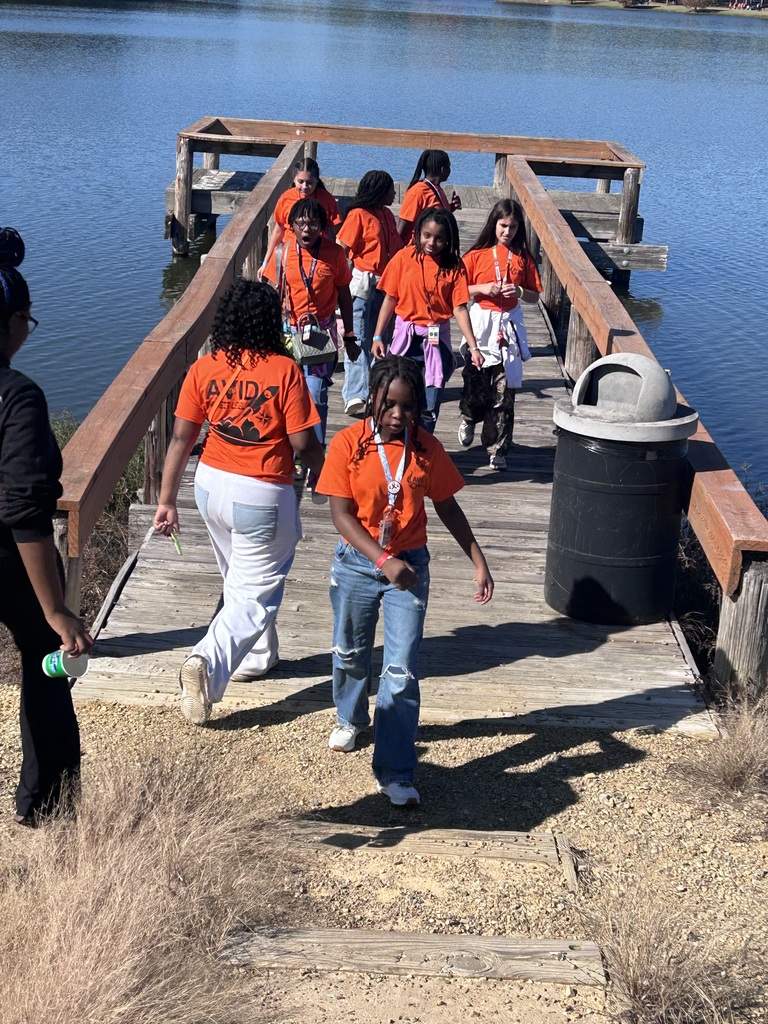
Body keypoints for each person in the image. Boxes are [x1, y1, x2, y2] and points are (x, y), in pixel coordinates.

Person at [317, 356, 493, 807]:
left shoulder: (427, 450)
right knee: (351, 650)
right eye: (389, 404)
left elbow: (448, 507)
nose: (398, 415)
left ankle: (395, 771)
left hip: (410, 568)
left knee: (400, 670)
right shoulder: (347, 444)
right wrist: (381, 559)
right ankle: (351, 718)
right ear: (373, 396)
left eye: (409, 407)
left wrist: (479, 561)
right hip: (357, 562)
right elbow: (340, 515)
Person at [153, 278, 324, 723]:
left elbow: (180, 438)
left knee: (237, 577)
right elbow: (304, 442)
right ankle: (205, 663)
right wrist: (323, 470)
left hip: (209, 486)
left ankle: (255, 658)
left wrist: (166, 500)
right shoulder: (284, 370)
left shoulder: (204, 367)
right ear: (268, 321)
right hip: (261, 492)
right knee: (256, 594)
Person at [0, 227, 93, 826]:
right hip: (9, 561)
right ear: (11, 323)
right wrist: (56, 611)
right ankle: (48, 807)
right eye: (28, 322)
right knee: (44, 661)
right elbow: (24, 515)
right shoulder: (18, 398)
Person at [372, 206, 483, 434]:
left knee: (429, 405)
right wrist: (377, 336)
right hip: (406, 339)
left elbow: (460, 308)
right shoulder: (403, 258)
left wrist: (473, 347)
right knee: (397, 395)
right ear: (418, 232)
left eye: (439, 238)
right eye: (427, 236)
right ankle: (396, 445)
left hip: (435, 342)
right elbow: (390, 300)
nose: (432, 243)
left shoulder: (454, 266)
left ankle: (422, 445)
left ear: (448, 239)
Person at [459, 200, 542, 471]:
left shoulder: (523, 258)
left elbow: (534, 295)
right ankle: (469, 417)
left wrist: (517, 291)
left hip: (509, 326)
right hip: (482, 323)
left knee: (504, 392)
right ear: (494, 224)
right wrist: (483, 287)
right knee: (478, 384)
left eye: (513, 227)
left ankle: (497, 448)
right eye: (503, 225)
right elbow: (459, 290)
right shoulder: (476, 255)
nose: (508, 231)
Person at [281, 197, 358, 466]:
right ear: (291, 226)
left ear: (323, 228)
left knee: (315, 395)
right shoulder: (284, 251)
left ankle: (314, 459)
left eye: (313, 224)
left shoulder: (335, 254)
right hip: (288, 333)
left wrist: (349, 335)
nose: (306, 230)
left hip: (320, 335)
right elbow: (271, 291)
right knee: (287, 397)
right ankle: (288, 454)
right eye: (300, 224)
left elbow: (345, 295)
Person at [336, 170, 403, 417]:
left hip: (385, 286)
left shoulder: (386, 215)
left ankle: (375, 390)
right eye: (390, 190)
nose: (395, 193)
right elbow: (341, 249)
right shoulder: (358, 216)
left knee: (380, 339)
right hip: (362, 285)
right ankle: (356, 394)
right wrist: (339, 282)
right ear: (378, 191)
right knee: (358, 339)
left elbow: (397, 252)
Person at [258, 157, 342, 286]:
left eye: (310, 182)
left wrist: (340, 259)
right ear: (293, 179)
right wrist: (266, 262)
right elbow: (278, 231)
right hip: (288, 254)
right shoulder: (286, 198)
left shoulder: (326, 199)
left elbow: (337, 233)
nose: (304, 187)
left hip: (318, 253)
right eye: (300, 181)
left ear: (317, 180)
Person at [397, 149, 461, 246]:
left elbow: (435, 215)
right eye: (449, 166)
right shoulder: (418, 192)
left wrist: (451, 207)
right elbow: (402, 226)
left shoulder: (436, 188)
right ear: (443, 169)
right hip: (416, 248)